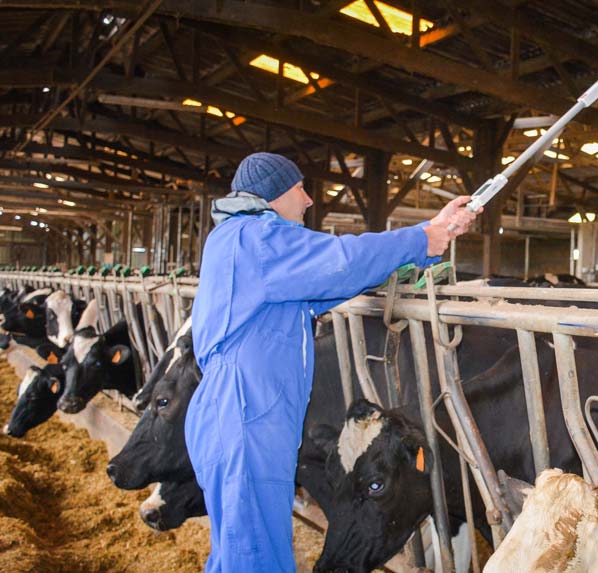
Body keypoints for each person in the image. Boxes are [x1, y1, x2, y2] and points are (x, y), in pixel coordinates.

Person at [185, 152, 479, 572]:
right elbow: (341, 259)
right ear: (273, 196)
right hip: (243, 412)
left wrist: (431, 235)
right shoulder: (252, 237)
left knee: (242, 547)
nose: (307, 201)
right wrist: (420, 238)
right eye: (300, 190)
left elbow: (337, 277)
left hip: (244, 412)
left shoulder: (250, 246)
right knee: (252, 557)